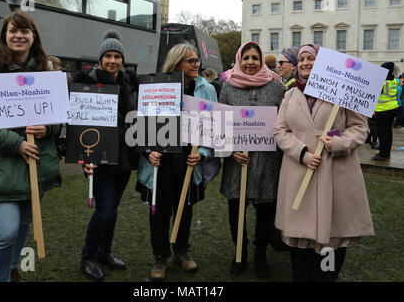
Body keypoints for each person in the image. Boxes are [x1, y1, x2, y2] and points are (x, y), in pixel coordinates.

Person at [0, 11, 62, 282]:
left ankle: (10, 270)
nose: (19, 35)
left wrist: (47, 128)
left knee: (21, 227)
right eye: (13, 30)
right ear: (5, 36)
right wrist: (16, 143)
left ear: (34, 37)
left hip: (34, 165)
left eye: (25, 30)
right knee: (5, 232)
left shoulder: (46, 71)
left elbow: (57, 118)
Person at [273, 43, 374, 282]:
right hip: (300, 173)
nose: (305, 63)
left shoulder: (343, 92)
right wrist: (302, 153)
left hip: (335, 175)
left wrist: (338, 143)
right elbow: (280, 130)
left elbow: (360, 128)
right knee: (300, 240)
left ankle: (326, 275)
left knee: (330, 239)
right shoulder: (290, 94)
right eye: (302, 59)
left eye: (311, 58)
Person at [136, 42, 217, 282]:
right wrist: (148, 151)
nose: (197, 64)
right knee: (159, 209)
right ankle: (160, 256)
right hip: (161, 158)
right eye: (191, 61)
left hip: (189, 158)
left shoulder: (206, 89)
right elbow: (143, 123)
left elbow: (212, 125)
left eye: (197, 60)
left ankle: (181, 251)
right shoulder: (156, 86)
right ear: (177, 64)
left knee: (185, 206)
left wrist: (201, 152)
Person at [219, 41, 285, 278]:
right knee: (236, 210)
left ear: (261, 59)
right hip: (238, 162)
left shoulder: (276, 87)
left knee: (265, 213)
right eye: (245, 57)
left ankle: (260, 254)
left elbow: (284, 122)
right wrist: (231, 149)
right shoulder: (227, 87)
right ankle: (240, 253)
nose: (250, 62)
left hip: (267, 161)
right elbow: (220, 125)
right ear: (239, 59)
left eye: (254, 58)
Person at [76, 30, 137, 282]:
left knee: (113, 209)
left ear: (122, 58)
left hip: (124, 155)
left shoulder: (128, 82)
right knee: (105, 211)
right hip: (99, 155)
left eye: (117, 56)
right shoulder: (88, 82)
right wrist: (83, 157)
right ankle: (87, 257)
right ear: (100, 58)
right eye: (108, 56)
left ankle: (104, 251)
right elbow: (77, 121)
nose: (112, 60)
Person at [371, 62, 400, 161]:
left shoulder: (383, 82)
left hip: (383, 110)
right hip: (392, 108)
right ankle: (385, 152)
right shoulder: (394, 81)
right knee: (388, 132)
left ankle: (383, 155)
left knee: (382, 133)